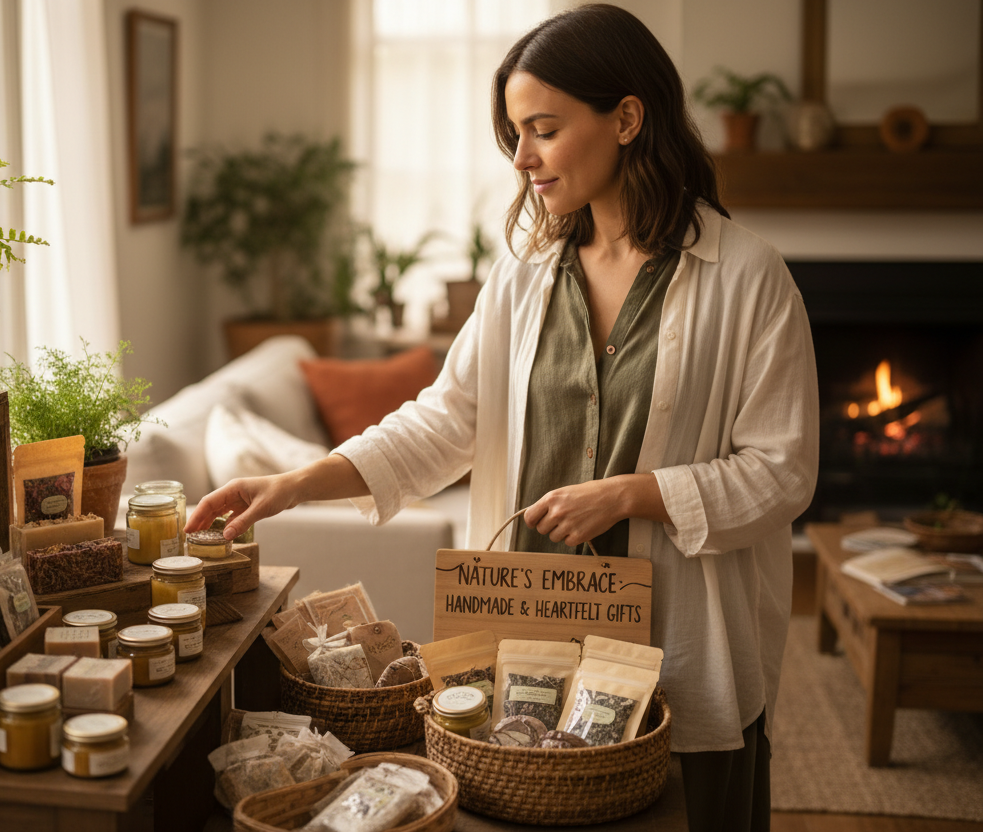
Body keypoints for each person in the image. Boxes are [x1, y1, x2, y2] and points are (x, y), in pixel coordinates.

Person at [186, 5, 817, 831]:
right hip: (534, 628)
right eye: (515, 134)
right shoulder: (524, 276)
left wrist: (633, 493)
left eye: (543, 130)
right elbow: (445, 421)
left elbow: (782, 471)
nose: (521, 159)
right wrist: (296, 481)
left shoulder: (747, 278)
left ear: (627, 118)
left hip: (681, 632)